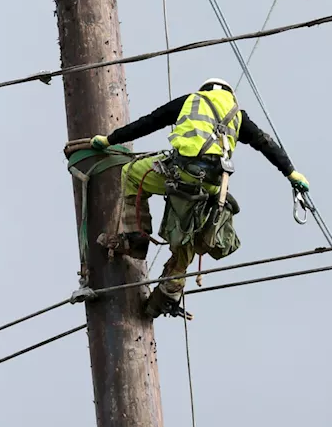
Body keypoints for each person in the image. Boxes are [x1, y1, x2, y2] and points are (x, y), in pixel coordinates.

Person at [88, 78, 310, 319]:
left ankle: (135, 239)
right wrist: (291, 172)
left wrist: (109, 140)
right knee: (192, 229)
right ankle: (170, 289)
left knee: (131, 173)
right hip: (215, 186)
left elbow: (149, 122)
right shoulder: (237, 115)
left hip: (183, 173)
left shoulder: (191, 101)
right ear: (230, 95)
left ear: (204, 89)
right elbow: (266, 144)